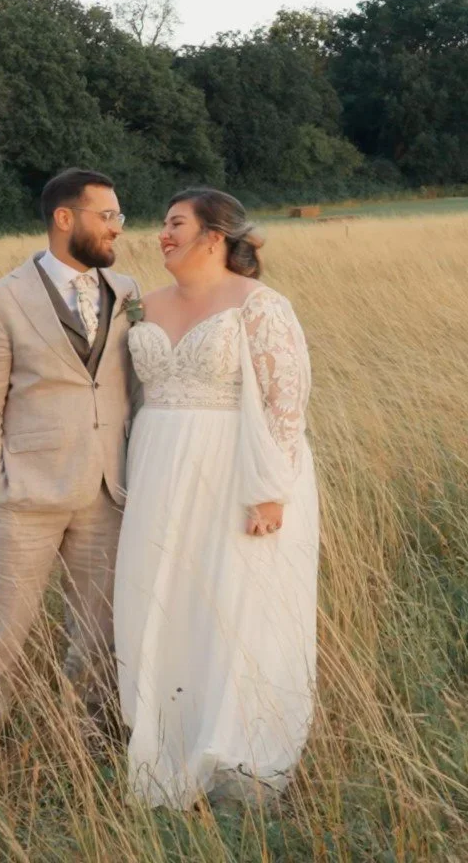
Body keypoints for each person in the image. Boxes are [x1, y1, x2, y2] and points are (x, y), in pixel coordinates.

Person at [111, 186, 321, 808]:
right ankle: (166, 742)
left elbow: (287, 402)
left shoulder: (260, 305)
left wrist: (271, 493)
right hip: (158, 471)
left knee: (234, 606)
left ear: (213, 236)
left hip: (235, 475)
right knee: (166, 601)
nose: (162, 235)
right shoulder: (143, 307)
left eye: (176, 223)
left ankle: (237, 758)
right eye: (162, 224)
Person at [0, 168, 140, 762]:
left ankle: (88, 751)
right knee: (0, 639)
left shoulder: (127, 290)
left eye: (119, 218)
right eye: (106, 216)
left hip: (107, 492)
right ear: (66, 219)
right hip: (26, 498)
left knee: (97, 637)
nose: (117, 229)